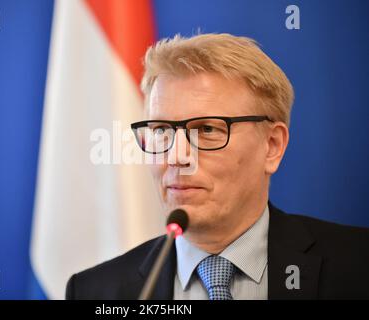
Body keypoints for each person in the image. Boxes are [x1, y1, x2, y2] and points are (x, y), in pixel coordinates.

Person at [66, 33, 369, 300]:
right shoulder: (95, 291)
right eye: (161, 132)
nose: (176, 157)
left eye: (207, 130)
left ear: (272, 146)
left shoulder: (357, 265)